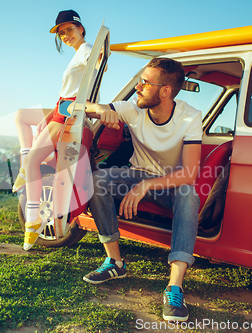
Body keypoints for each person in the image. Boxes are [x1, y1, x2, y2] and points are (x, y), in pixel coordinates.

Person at [82, 58, 202, 322]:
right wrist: (102, 111)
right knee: (98, 179)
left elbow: (189, 174)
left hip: (168, 184)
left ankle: (175, 286)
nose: (138, 86)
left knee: (190, 194)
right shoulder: (133, 109)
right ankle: (115, 262)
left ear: (165, 91)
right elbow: (77, 107)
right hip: (134, 175)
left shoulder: (190, 116)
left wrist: (146, 185)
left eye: (145, 83)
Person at [13, 10, 95, 251]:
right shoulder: (77, 54)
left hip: (71, 111)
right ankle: (25, 170)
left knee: (32, 164)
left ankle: (32, 221)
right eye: (61, 33)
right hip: (62, 107)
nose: (65, 35)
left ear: (81, 28)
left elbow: (98, 58)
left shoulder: (86, 49)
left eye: (69, 29)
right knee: (22, 116)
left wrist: (100, 54)